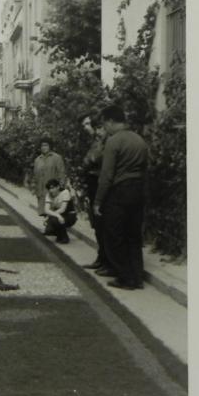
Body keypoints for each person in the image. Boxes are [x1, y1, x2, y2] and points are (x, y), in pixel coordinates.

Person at [93, 104, 148, 290]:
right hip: (139, 189)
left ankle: (126, 277)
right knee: (134, 235)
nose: (105, 128)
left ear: (110, 121)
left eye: (104, 124)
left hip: (120, 190)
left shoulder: (113, 141)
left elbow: (107, 175)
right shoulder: (139, 139)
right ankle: (137, 276)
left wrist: (98, 201)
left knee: (114, 234)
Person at [78, 112, 107, 270]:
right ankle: (101, 257)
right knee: (96, 224)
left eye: (87, 124)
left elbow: (93, 159)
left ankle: (105, 259)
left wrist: (87, 161)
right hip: (92, 183)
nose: (86, 128)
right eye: (83, 125)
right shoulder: (94, 141)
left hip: (99, 182)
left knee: (101, 223)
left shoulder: (103, 140)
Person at [31, 138, 66, 215]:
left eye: (46, 145)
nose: (44, 147)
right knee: (44, 213)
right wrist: (33, 188)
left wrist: (61, 188)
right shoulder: (37, 160)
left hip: (53, 192)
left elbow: (61, 174)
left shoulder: (57, 158)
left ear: (50, 146)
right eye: (42, 146)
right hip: (41, 192)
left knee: (53, 213)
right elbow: (34, 176)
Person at [42, 178, 78, 244]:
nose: (50, 190)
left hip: (70, 215)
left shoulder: (65, 192)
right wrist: (57, 215)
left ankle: (65, 237)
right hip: (60, 215)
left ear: (58, 187)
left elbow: (63, 209)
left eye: (52, 188)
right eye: (49, 188)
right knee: (48, 231)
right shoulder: (48, 195)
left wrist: (49, 216)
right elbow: (46, 210)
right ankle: (59, 235)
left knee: (54, 220)